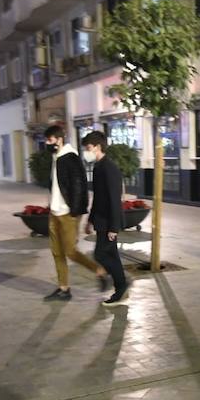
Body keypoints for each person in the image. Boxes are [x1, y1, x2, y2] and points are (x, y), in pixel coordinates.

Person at [44, 124, 108, 300]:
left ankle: (99, 271)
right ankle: (64, 288)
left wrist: (76, 212)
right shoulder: (55, 157)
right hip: (54, 213)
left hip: (68, 214)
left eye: (50, 140)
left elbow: (80, 187)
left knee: (70, 251)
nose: (47, 143)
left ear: (59, 139)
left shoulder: (70, 158)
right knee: (56, 252)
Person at [82, 131, 130, 306]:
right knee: (111, 255)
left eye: (88, 148)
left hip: (109, 222)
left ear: (97, 147)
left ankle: (122, 283)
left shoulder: (109, 168)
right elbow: (98, 197)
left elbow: (113, 199)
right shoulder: (98, 167)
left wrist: (113, 227)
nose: (86, 152)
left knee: (100, 254)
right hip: (101, 220)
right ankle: (121, 288)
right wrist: (90, 219)